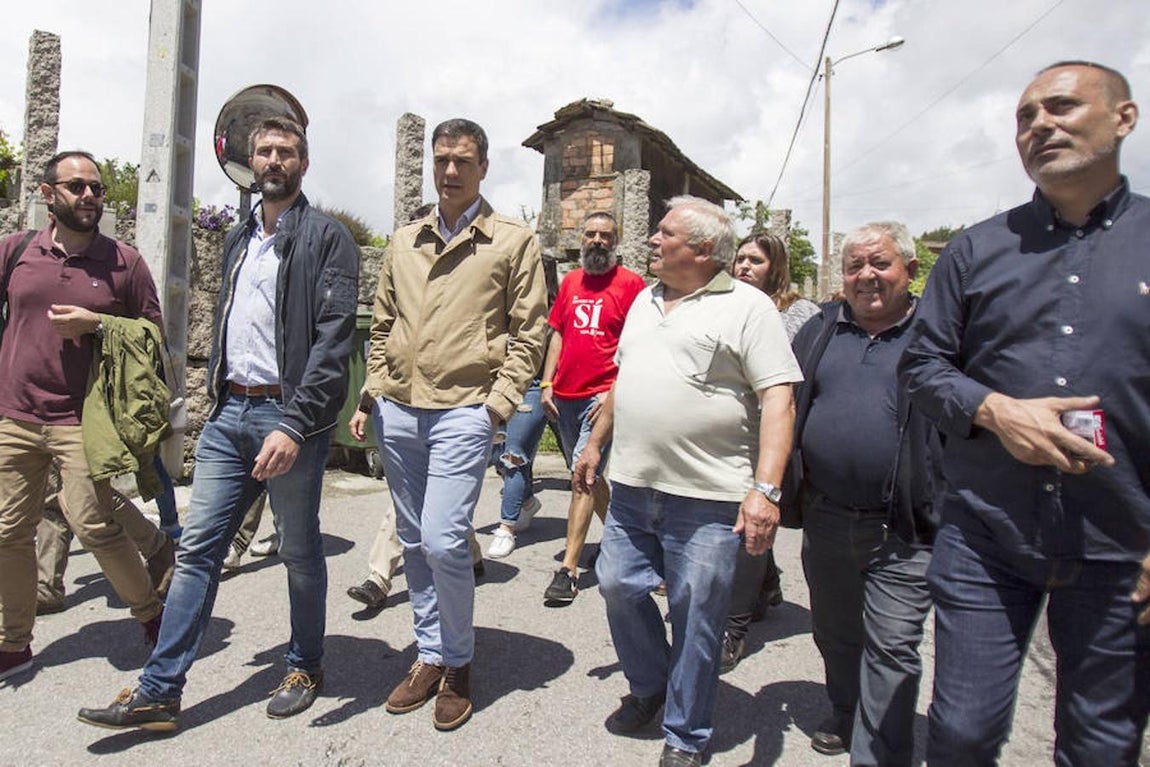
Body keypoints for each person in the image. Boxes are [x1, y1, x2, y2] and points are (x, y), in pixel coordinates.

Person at [900, 61, 1150, 765]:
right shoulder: (977, 249)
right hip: (989, 535)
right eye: (1025, 117)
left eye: (1062, 107)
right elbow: (922, 365)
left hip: (1120, 543)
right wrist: (994, 408)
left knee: (1102, 742)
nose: (1040, 125)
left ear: (1123, 118)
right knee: (962, 732)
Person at [79, 116, 359, 730]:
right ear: (250, 163)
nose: (274, 160)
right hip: (231, 412)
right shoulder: (238, 238)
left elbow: (334, 342)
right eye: (265, 151)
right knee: (199, 550)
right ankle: (159, 689)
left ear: (303, 164)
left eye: (286, 151)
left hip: (291, 420)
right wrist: (214, 400)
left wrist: (293, 424)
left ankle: (305, 664)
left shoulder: (326, 238)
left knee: (299, 549)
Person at [578, 196, 801, 767]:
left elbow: (779, 399)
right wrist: (595, 443)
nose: (652, 239)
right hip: (631, 486)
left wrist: (766, 490)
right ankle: (652, 684)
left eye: (665, 232)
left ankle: (686, 734)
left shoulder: (749, 307)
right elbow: (624, 381)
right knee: (617, 585)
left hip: (709, 498)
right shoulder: (647, 301)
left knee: (697, 614)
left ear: (703, 251)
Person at [364, 118, 547, 731]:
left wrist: (497, 406)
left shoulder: (512, 241)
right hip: (399, 409)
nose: (448, 171)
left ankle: (460, 663)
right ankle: (429, 652)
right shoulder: (403, 239)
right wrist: (373, 392)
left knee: (445, 540)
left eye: (461, 161)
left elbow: (530, 331)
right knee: (414, 542)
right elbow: (382, 322)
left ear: (483, 168)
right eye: (441, 160)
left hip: (466, 409)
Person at [0, 150, 167, 682]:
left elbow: (154, 335)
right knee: (8, 532)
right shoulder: (14, 253)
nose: (90, 196)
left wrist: (99, 324)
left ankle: (151, 613)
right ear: (48, 195)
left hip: (82, 418)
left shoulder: (125, 262)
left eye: (96, 188)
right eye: (77, 187)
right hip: (14, 415)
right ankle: (14, 641)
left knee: (94, 522)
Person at [781, 222, 937, 763]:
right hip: (826, 517)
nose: (867, 276)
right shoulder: (821, 330)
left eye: (880, 264)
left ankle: (881, 752)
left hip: (904, 526)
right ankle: (847, 713)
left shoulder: (938, 334)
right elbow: (785, 404)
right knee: (835, 632)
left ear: (910, 271)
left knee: (892, 647)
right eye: (854, 267)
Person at [721, 231, 820, 670]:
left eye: (755, 261)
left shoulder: (800, 316)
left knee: (748, 526)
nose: (744, 267)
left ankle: (733, 628)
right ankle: (768, 584)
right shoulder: (725, 305)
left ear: (775, 267)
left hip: (774, 438)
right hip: (732, 435)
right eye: (740, 259)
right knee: (746, 522)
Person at [536, 211, 644, 594]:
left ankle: (568, 569)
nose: (597, 240)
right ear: (581, 239)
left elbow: (639, 347)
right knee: (591, 478)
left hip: (602, 398)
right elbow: (558, 334)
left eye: (605, 235)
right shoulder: (570, 283)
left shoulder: (632, 286)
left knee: (582, 476)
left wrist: (615, 394)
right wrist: (547, 382)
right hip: (564, 396)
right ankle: (632, 545)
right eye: (591, 234)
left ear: (616, 242)